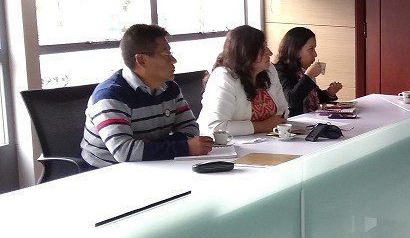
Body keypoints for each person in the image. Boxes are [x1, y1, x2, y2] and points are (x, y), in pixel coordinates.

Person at [81, 24, 213, 167]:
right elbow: (124, 152)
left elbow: (191, 129)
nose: (174, 60)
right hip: (106, 171)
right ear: (141, 60)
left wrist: (150, 147)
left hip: (154, 164)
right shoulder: (110, 95)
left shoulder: (170, 88)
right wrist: (184, 147)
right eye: (166, 54)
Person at [198, 25, 288, 135]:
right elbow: (216, 127)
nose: (270, 53)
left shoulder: (269, 70)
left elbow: (283, 110)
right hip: (228, 144)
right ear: (246, 52)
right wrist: (263, 126)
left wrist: (273, 125)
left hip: (266, 140)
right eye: (263, 49)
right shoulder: (223, 77)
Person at [274, 27, 343, 116]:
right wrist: (308, 76)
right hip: (292, 122)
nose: (315, 54)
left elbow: (314, 97)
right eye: (311, 49)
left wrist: (329, 93)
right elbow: (291, 101)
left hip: (309, 120)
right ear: (296, 51)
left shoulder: (301, 70)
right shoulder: (279, 71)